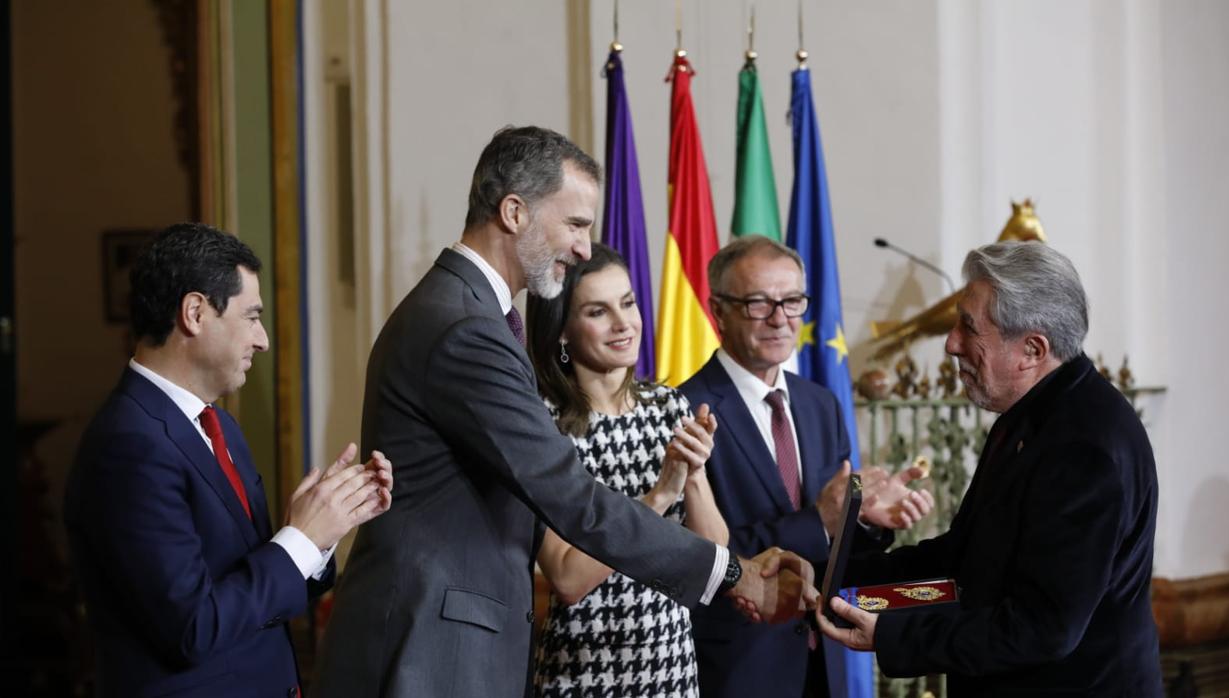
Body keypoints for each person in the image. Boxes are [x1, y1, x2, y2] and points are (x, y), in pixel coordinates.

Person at [316, 126, 816, 697]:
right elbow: (571, 496)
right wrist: (733, 573)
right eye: (576, 224)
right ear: (514, 213)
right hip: (429, 647)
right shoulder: (464, 327)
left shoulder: (468, 312)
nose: (583, 248)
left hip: (447, 639)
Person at [818, 241, 1162, 696]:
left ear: (1032, 349)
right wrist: (834, 583)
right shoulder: (1030, 416)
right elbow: (964, 557)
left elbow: (1043, 627)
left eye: (969, 327)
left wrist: (892, 636)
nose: (951, 343)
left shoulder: (1083, 447)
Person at [64, 222, 394, 697]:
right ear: (195, 313)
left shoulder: (220, 426)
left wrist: (321, 529)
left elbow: (257, 594)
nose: (263, 339)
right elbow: (193, 629)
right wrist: (300, 539)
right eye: (252, 317)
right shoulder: (128, 445)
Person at [680, 235, 935, 698]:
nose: (780, 318)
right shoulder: (684, 410)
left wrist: (866, 520)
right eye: (759, 303)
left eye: (792, 301)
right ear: (719, 311)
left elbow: (836, 548)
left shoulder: (821, 404)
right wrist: (818, 521)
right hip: (737, 668)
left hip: (825, 663)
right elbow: (689, 554)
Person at [526, 242, 728, 696]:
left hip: (670, 666)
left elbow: (711, 553)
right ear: (563, 331)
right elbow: (568, 579)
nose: (623, 324)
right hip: (583, 670)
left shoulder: (669, 407)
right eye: (598, 312)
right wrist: (659, 496)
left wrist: (694, 475)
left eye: (628, 303)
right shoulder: (542, 425)